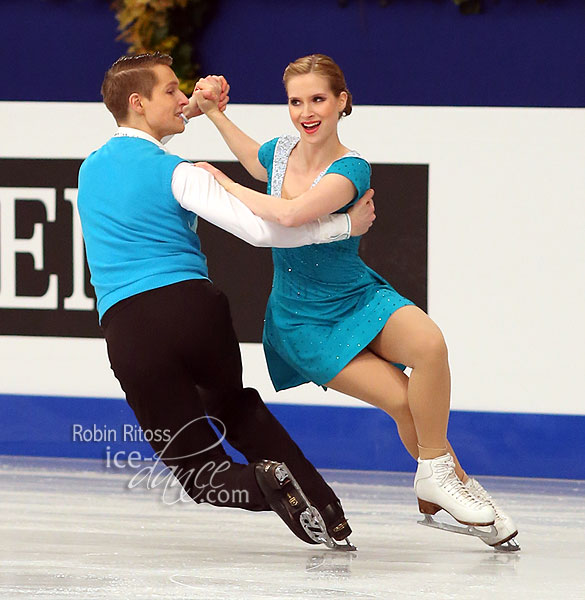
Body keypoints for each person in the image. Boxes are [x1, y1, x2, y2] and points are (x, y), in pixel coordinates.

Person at [193, 54, 519, 551]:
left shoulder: (352, 168)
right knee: (402, 401)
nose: (306, 111)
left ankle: (438, 481)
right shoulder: (280, 152)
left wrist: (224, 184)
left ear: (342, 101)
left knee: (429, 344)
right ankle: (457, 488)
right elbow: (253, 156)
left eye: (318, 99)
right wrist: (215, 113)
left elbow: (293, 215)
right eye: (295, 100)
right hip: (303, 322)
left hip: (358, 295)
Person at [77, 52, 377, 550]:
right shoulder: (178, 171)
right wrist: (343, 225)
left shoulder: (89, 169)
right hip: (197, 309)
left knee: (201, 474)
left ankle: (264, 484)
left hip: (132, 326)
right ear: (137, 101)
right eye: (171, 90)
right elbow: (261, 231)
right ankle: (327, 512)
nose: (182, 97)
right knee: (236, 410)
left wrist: (191, 109)